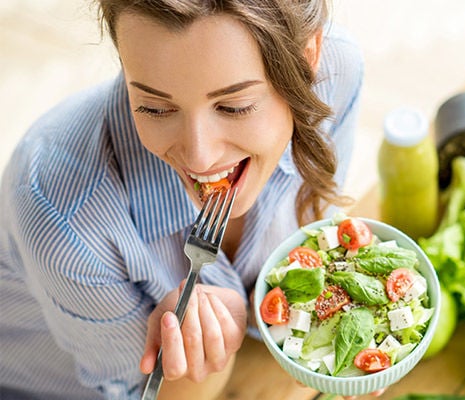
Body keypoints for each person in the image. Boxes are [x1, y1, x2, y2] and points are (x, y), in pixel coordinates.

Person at [0, 0, 364, 398]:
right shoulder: (62, 216)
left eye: (233, 106)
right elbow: (140, 394)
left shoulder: (335, 71)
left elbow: (314, 247)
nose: (199, 157)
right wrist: (194, 349)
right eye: (155, 108)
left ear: (308, 60)